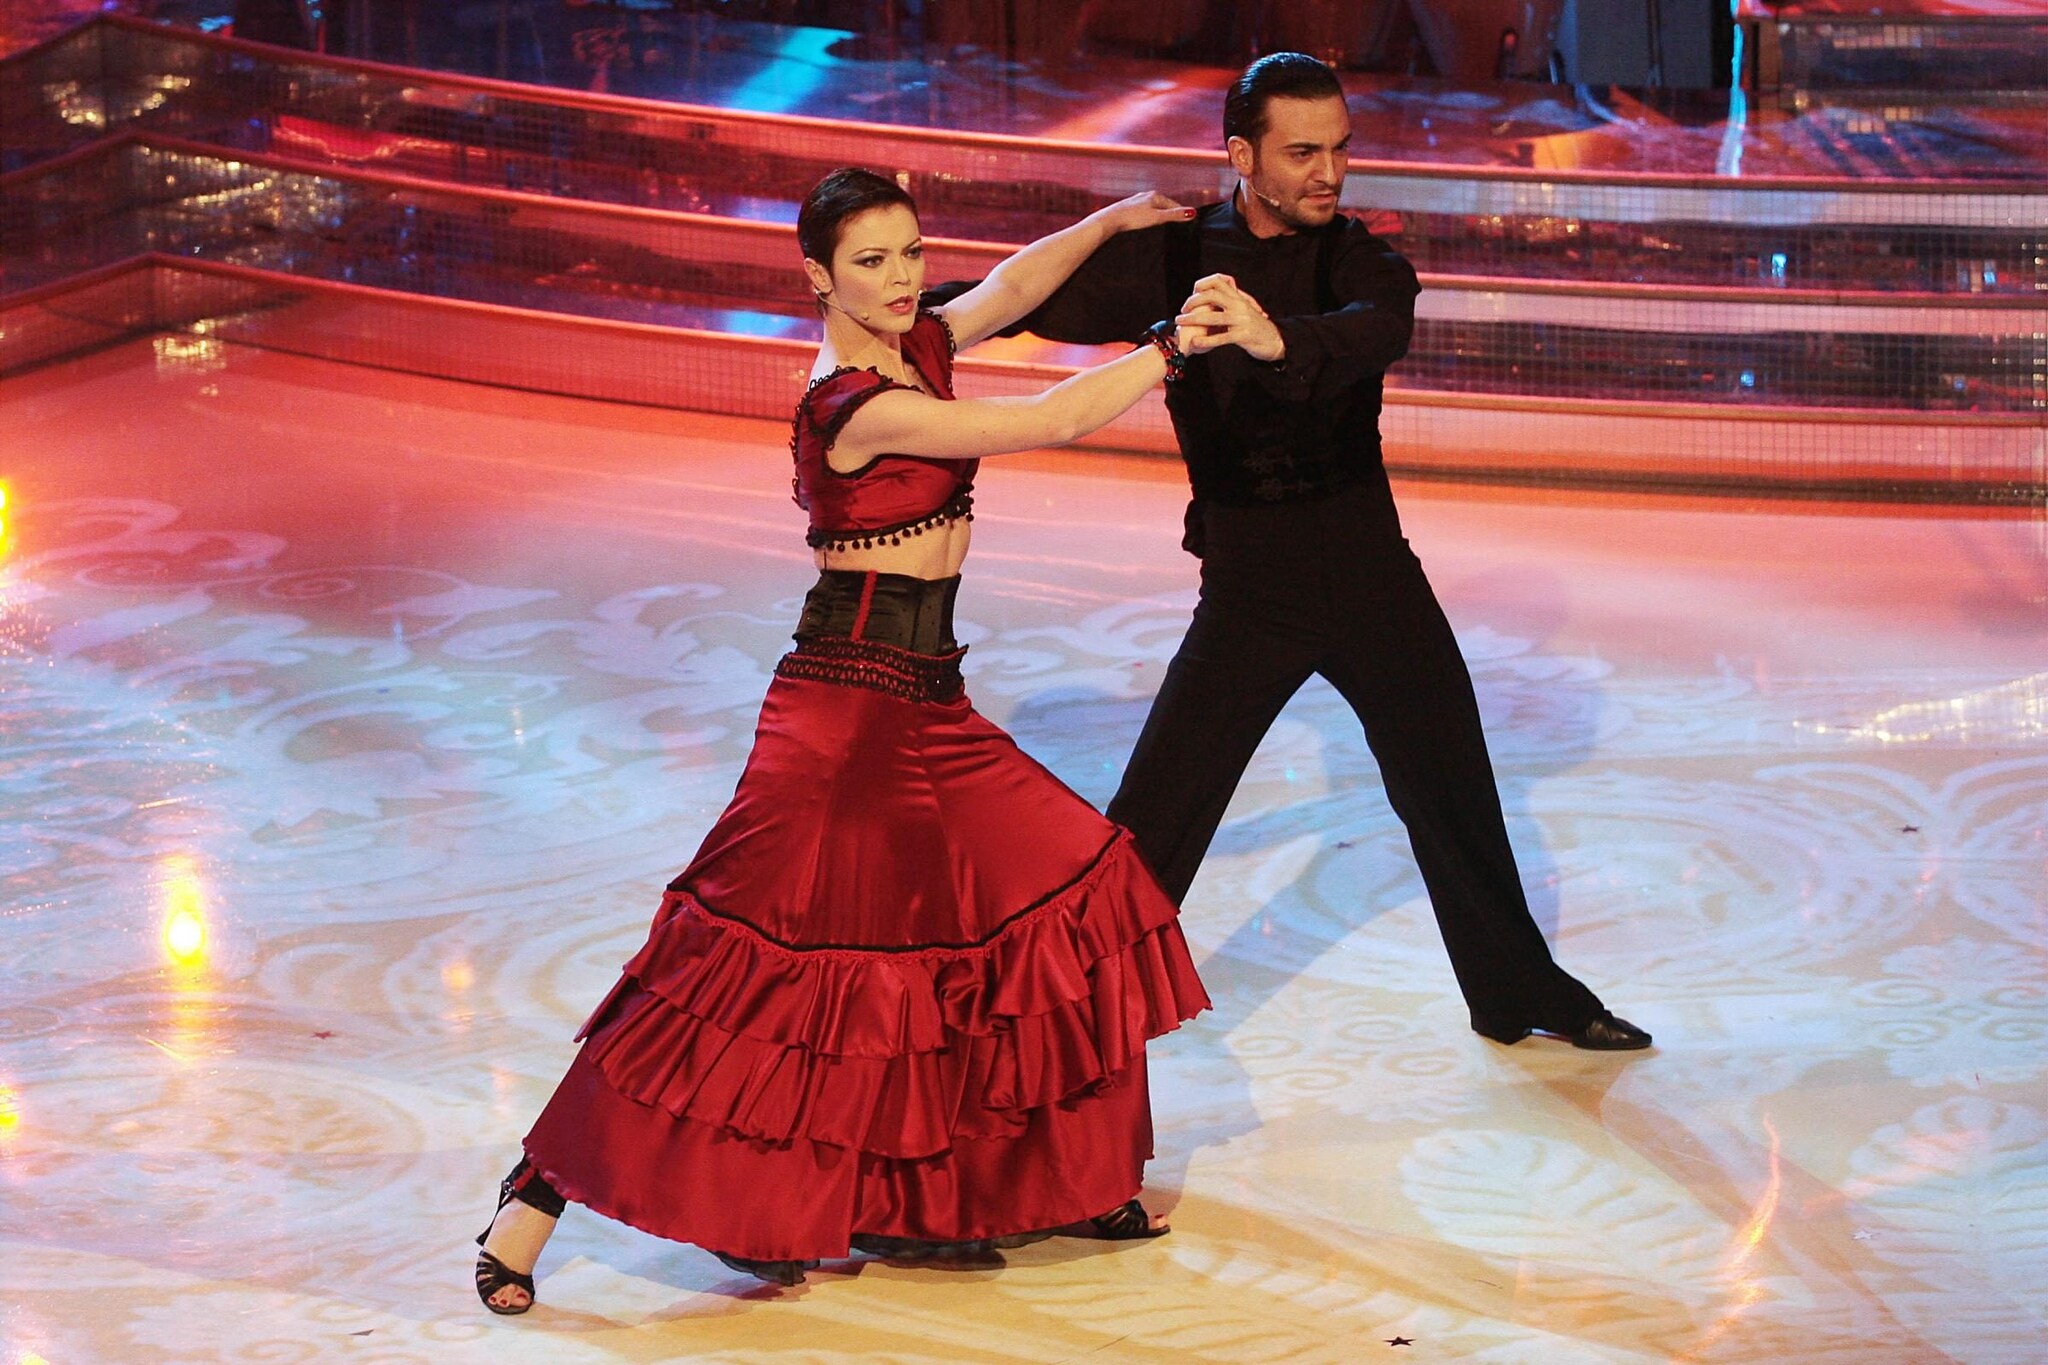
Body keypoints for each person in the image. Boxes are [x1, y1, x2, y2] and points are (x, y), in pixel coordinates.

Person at [472, 169, 1212, 1314]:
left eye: (910, 252)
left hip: (926, 705)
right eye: (871, 261)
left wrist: (1108, 221)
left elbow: (1009, 288)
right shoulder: (851, 405)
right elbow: (1046, 420)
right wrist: (1171, 346)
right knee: (726, 978)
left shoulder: (916, 346)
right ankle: (531, 1201)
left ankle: (1055, 1180)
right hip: (840, 724)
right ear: (818, 278)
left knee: (1064, 902)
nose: (902, 277)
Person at [997, 53, 1650, 1053]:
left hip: (1371, 575)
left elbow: (1374, 330)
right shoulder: (1173, 258)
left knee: (1454, 793)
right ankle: (1055, 1026)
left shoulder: (1360, 259)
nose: (1330, 172)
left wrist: (1273, 341)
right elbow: (1017, 303)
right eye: (1302, 153)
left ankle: (1517, 993)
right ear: (1240, 156)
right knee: (1155, 820)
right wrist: (1076, 237)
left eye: (1340, 149)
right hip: (1250, 591)